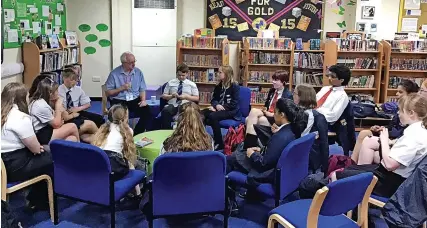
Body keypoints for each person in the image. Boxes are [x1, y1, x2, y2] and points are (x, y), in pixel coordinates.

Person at [331, 93, 427, 198]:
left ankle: (338, 206)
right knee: (350, 169)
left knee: (336, 175)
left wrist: (384, 140)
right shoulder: (420, 130)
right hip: (392, 177)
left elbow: (390, 165)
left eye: (400, 111)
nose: (398, 114)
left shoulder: (414, 135)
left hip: (389, 182)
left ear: (411, 113)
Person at [227, 98, 308, 191]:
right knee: (240, 151)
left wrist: (252, 154)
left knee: (231, 157)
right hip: (281, 169)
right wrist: (261, 150)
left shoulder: (280, 136)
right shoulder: (293, 130)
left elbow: (263, 164)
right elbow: (276, 152)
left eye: (275, 112)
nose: (273, 115)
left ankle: (229, 193)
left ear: (282, 115)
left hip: (267, 172)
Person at [1, 82, 53, 210]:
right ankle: (41, 201)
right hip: (14, 167)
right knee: (51, 157)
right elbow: (35, 149)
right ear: (21, 98)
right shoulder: (20, 118)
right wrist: (40, 149)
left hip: (2, 166)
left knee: (42, 156)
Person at [352, 79, 419, 164]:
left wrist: (385, 133)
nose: (397, 94)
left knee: (369, 143)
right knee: (364, 133)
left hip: (395, 141)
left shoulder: (411, 113)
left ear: (410, 95)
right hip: (390, 136)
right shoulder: (400, 108)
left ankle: (359, 169)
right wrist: (381, 128)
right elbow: (392, 126)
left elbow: (401, 134)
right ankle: (352, 162)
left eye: (400, 92)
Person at [243, 71, 292, 148]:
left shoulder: (288, 95)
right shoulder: (272, 91)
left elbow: (285, 114)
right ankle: (251, 144)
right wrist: (265, 109)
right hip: (267, 113)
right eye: (273, 79)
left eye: (276, 80)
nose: (273, 82)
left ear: (283, 82)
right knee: (253, 111)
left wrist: (272, 114)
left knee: (250, 119)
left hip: (276, 118)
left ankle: (249, 144)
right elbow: (266, 105)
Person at [105, 51, 151, 135]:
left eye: (134, 62)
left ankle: (137, 133)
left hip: (134, 99)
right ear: (124, 63)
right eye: (131, 63)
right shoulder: (114, 74)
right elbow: (108, 93)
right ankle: (121, 135)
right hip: (119, 99)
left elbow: (142, 89)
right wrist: (121, 88)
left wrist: (143, 100)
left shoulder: (138, 72)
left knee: (147, 111)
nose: (133, 64)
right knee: (118, 114)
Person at [92, 104, 137, 181]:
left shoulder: (102, 129)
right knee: (132, 163)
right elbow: (127, 155)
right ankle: (138, 191)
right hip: (114, 166)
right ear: (125, 118)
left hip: (98, 164)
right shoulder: (128, 130)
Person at [29, 77, 80, 145]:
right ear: (50, 93)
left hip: (47, 129)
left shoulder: (42, 101)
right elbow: (57, 124)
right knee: (72, 126)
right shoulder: (41, 105)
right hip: (41, 135)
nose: (58, 93)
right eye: (56, 91)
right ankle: (81, 150)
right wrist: (58, 106)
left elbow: (59, 119)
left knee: (72, 138)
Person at [202, 65, 241, 150]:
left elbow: (234, 103)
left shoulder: (235, 86)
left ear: (226, 74)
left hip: (231, 111)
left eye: (220, 72)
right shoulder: (219, 85)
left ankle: (219, 142)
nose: (218, 74)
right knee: (202, 113)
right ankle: (201, 139)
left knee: (212, 117)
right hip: (219, 109)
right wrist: (216, 106)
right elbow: (213, 99)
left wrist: (220, 107)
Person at [293, 84, 329, 173]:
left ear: (301, 97)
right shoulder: (295, 112)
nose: (292, 95)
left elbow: (324, 143)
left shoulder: (317, 117)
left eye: (294, 93)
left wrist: (325, 168)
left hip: (307, 158)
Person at [58, 69, 99, 143]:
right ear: (64, 78)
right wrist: (71, 114)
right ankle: (96, 139)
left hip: (77, 111)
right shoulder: (58, 90)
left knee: (99, 119)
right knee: (88, 122)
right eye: (71, 80)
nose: (74, 82)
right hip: (66, 115)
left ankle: (94, 136)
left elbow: (88, 104)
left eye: (75, 80)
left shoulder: (78, 89)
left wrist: (78, 108)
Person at [160, 63, 199, 129]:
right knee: (165, 111)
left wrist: (186, 97)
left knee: (188, 112)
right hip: (173, 104)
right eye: (179, 75)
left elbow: (196, 98)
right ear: (176, 73)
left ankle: (185, 133)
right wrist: (171, 96)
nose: (181, 77)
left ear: (187, 74)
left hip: (186, 105)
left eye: (183, 75)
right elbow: (163, 96)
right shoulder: (170, 83)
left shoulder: (192, 84)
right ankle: (166, 131)